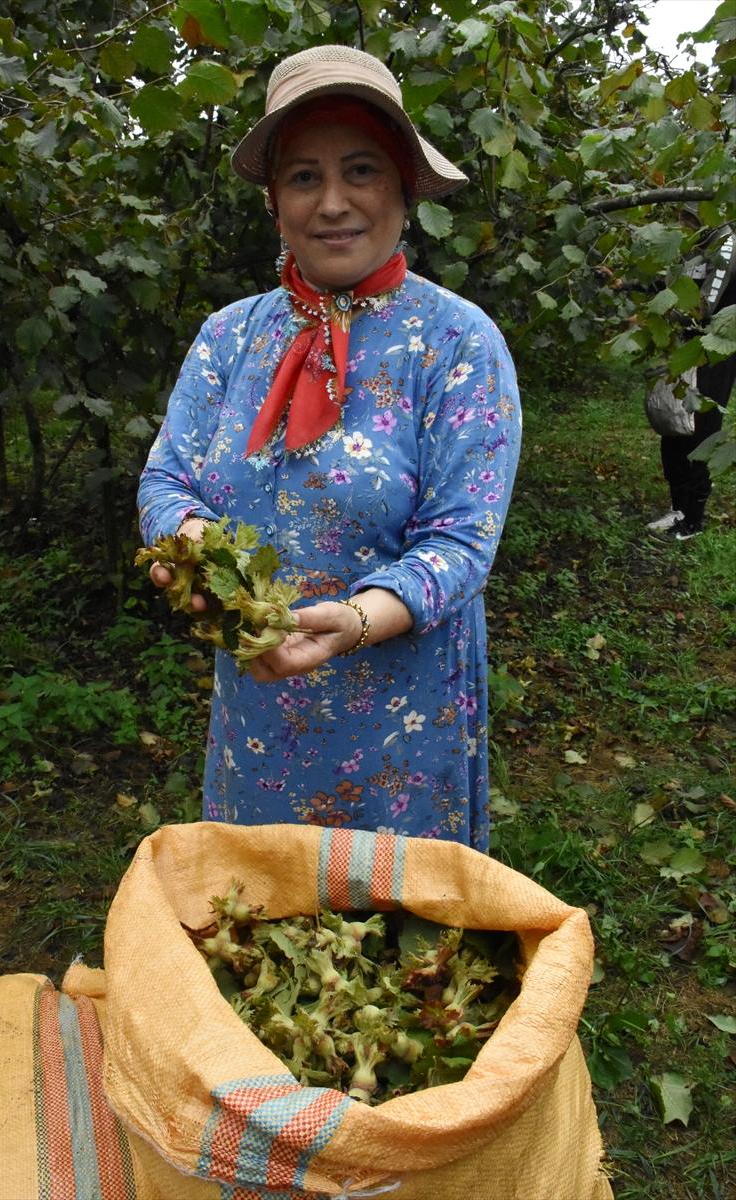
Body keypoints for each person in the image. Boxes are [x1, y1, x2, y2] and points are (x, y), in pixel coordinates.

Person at [137, 45, 521, 852]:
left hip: (400, 722)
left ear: (403, 189)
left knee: (394, 946)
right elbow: (169, 479)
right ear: (275, 202)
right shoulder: (229, 336)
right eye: (305, 177)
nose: (334, 202)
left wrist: (352, 619)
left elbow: (459, 542)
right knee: (262, 921)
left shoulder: (456, 343)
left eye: (360, 171)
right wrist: (199, 551)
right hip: (261, 709)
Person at [646, 223, 736, 541]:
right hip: (685, 348)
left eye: (687, 213)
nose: (682, 219)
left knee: (700, 429)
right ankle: (678, 509)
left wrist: (661, 314)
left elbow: (703, 308)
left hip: (713, 353)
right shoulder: (697, 244)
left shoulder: (726, 245)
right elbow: (673, 286)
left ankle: (693, 520)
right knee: (674, 425)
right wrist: (629, 285)